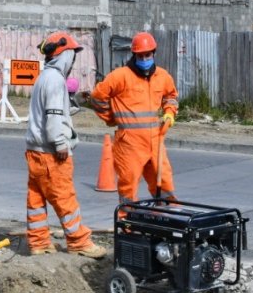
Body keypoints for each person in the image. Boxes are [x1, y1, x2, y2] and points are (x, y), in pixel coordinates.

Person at [24, 32, 106, 259]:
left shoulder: (44, 77)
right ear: (64, 55)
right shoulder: (56, 80)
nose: (73, 61)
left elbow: (54, 110)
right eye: (72, 56)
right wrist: (60, 143)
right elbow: (53, 117)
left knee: (36, 199)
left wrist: (76, 100)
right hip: (51, 154)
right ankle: (79, 242)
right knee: (65, 198)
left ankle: (38, 242)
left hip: (35, 152)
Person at [90, 32, 179, 205]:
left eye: (148, 54)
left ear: (154, 53)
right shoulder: (120, 76)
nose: (145, 58)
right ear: (134, 55)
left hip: (156, 139)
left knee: (164, 182)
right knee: (128, 185)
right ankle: (127, 221)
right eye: (141, 55)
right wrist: (111, 117)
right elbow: (97, 97)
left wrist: (169, 112)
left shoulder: (162, 76)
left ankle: (170, 215)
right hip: (129, 143)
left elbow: (171, 96)